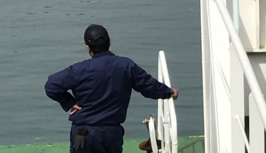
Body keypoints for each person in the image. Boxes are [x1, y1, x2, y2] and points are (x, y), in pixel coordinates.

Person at [45, 25, 177, 153]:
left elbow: (51, 86)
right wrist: (169, 92)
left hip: (82, 133)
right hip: (110, 133)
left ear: (88, 47)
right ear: (109, 41)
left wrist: (70, 103)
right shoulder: (126, 66)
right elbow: (149, 86)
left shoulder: (78, 69)